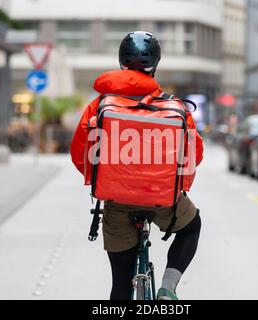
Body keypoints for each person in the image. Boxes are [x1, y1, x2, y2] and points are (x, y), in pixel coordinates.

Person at [70, 31, 204, 300]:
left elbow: (80, 153)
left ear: (122, 62)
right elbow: (194, 155)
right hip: (164, 200)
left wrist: (103, 180)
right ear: (155, 64)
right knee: (192, 226)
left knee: (120, 286)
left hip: (117, 202)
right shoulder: (174, 106)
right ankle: (167, 288)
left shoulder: (100, 106)